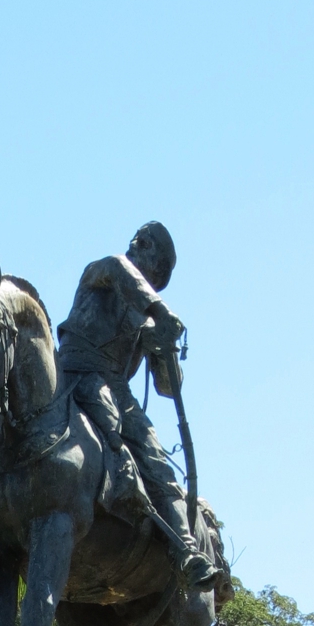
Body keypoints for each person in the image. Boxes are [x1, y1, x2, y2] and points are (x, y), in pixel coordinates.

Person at [57, 222, 217, 584]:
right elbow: (119, 269)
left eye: (147, 249)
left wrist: (166, 348)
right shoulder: (103, 271)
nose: (136, 247)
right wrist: (159, 310)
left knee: (156, 461)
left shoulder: (144, 318)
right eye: (140, 243)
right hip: (71, 370)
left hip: (115, 390)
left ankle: (186, 547)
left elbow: (166, 387)